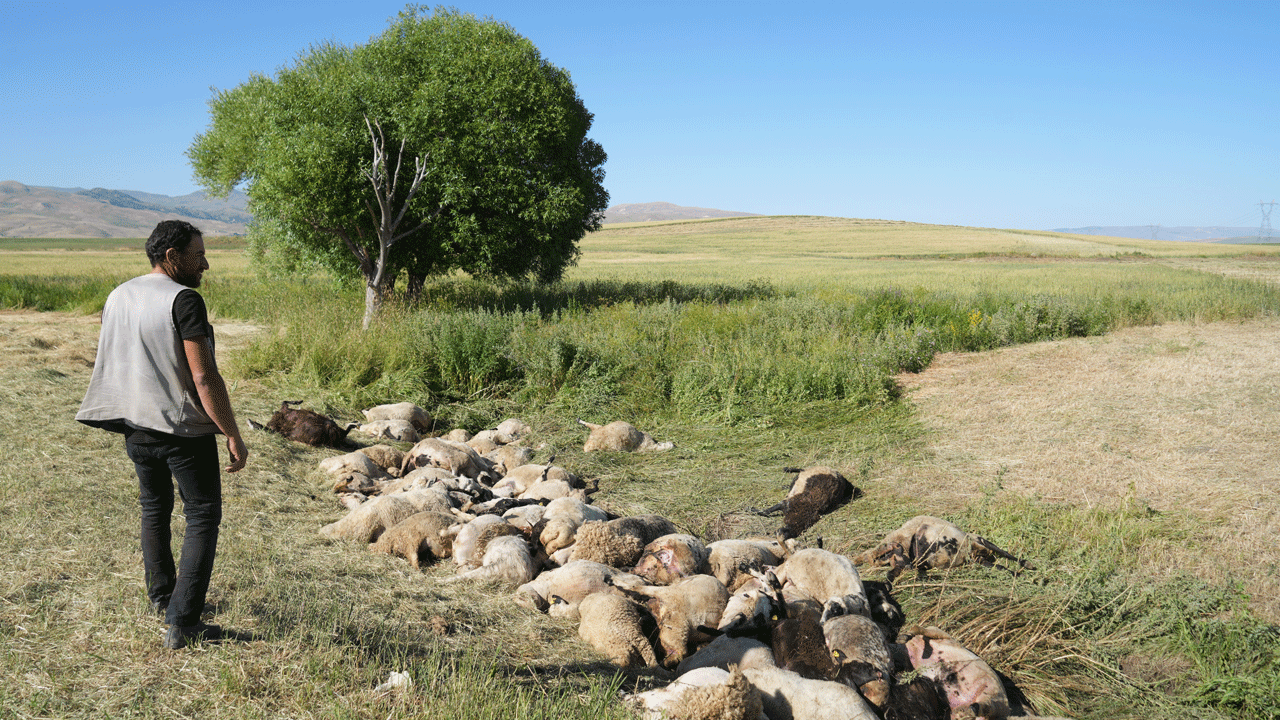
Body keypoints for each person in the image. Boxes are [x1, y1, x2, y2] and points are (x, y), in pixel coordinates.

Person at [76, 219, 248, 650]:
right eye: (198, 253)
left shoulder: (119, 294)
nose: (205, 263)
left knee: (154, 509)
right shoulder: (184, 300)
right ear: (171, 257)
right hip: (180, 431)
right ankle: (184, 623)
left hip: (134, 427)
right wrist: (231, 431)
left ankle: (161, 598)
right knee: (203, 515)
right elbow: (204, 377)